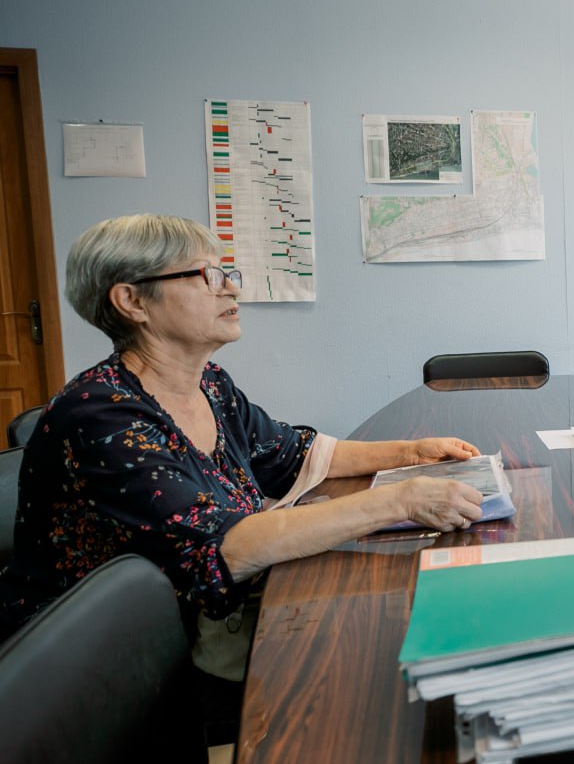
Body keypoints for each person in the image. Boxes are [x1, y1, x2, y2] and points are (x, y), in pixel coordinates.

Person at [0, 215, 485, 644]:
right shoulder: (100, 416)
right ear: (132, 301)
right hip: (98, 660)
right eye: (206, 276)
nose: (231, 287)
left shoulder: (209, 383)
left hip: (195, 625)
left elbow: (295, 453)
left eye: (227, 273)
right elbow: (221, 550)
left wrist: (413, 452)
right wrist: (398, 501)